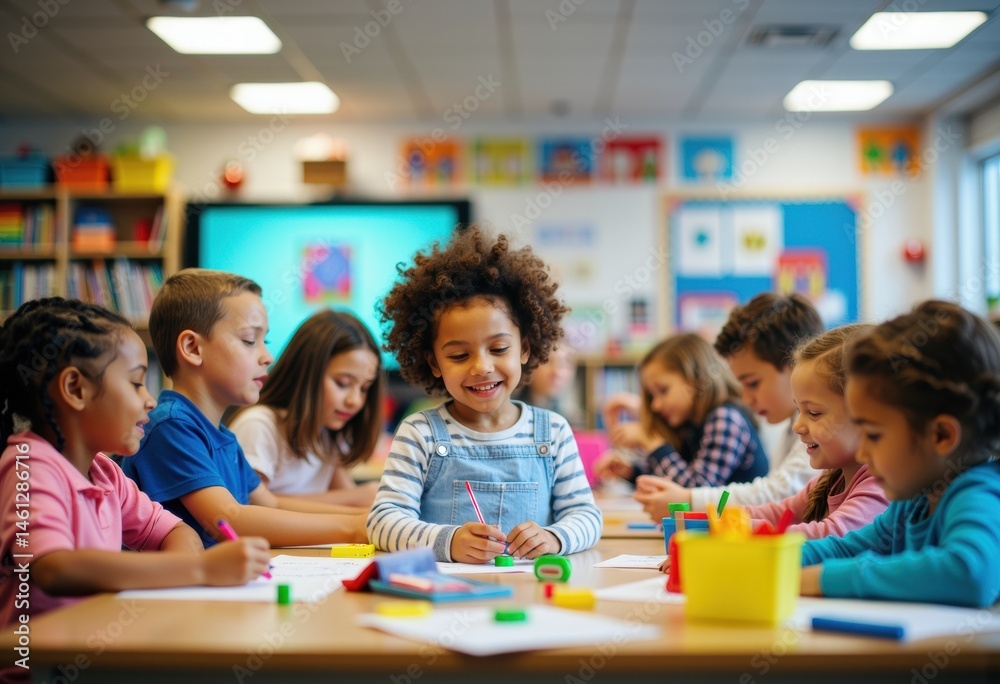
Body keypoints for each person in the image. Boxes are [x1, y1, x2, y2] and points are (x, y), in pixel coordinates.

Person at [0, 298, 270, 633]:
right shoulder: (28, 465)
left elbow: (176, 530)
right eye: (136, 383)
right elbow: (54, 568)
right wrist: (199, 570)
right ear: (75, 389)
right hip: (37, 668)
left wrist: (182, 566)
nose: (150, 399)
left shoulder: (106, 473)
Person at [367, 227, 602, 563]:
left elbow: (587, 517)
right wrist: (446, 541)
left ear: (525, 348)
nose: (481, 367)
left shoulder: (553, 431)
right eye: (459, 356)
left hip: (530, 598)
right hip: (448, 598)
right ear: (433, 362)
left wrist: (554, 536)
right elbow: (382, 522)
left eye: (499, 348)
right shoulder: (419, 433)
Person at [121, 269, 368, 547]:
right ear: (192, 348)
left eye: (266, 341)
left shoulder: (223, 436)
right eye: (250, 340)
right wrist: (353, 528)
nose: (267, 356)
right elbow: (229, 520)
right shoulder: (171, 426)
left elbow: (271, 504)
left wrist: (366, 519)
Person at [800, 301, 1000, 607]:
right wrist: (766, 557)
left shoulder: (979, 493)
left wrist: (822, 579)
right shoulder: (913, 502)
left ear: (941, 435)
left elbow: (971, 573)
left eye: (874, 435)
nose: (863, 453)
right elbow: (843, 549)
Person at [632, 292, 823, 519]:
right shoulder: (789, 432)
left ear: (796, 365)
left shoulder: (819, 430)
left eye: (753, 383)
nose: (746, 398)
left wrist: (689, 500)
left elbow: (783, 495)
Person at [737, 324, 888, 538]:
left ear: (867, 416)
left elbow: (833, 535)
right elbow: (777, 513)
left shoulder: (880, 483)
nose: (797, 426)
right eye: (799, 410)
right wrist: (722, 520)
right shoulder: (826, 483)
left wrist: (746, 531)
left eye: (814, 413)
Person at [229, 309, 383, 508]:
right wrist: (356, 497)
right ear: (305, 373)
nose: (355, 400)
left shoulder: (328, 431)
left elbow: (357, 500)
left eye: (364, 388)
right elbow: (252, 509)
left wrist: (362, 497)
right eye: (343, 383)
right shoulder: (259, 426)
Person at [593, 333, 768, 489]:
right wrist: (632, 472)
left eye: (663, 390)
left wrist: (651, 441)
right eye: (652, 395)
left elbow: (696, 489)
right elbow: (674, 479)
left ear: (696, 380)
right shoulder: (689, 425)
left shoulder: (725, 418)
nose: (656, 405)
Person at [513, 344, 580, 426]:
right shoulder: (515, 416)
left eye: (566, 362)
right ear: (529, 363)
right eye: (547, 361)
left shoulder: (562, 417)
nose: (557, 372)